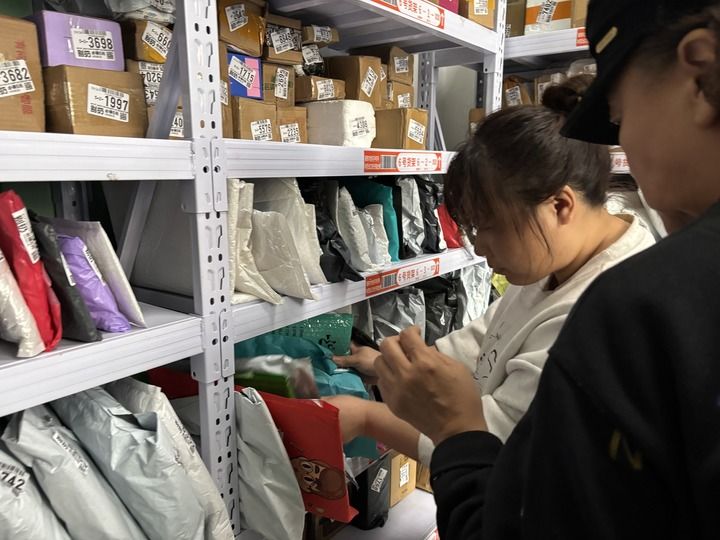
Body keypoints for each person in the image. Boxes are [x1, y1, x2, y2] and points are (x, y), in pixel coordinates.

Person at [373, 0, 720, 538]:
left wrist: (435, 426)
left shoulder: (633, 303)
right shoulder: (553, 268)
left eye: (621, 118)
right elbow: (485, 336)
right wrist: (391, 364)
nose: (624, 145)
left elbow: (517, 512)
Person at [330, 75, 655, 466]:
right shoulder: (560, 256)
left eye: (489, 226)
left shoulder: (605, 311)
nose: (479, 246)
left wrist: (367, 418)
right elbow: (487, 337)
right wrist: (393, 367)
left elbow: (501, 442)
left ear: (559, 206)